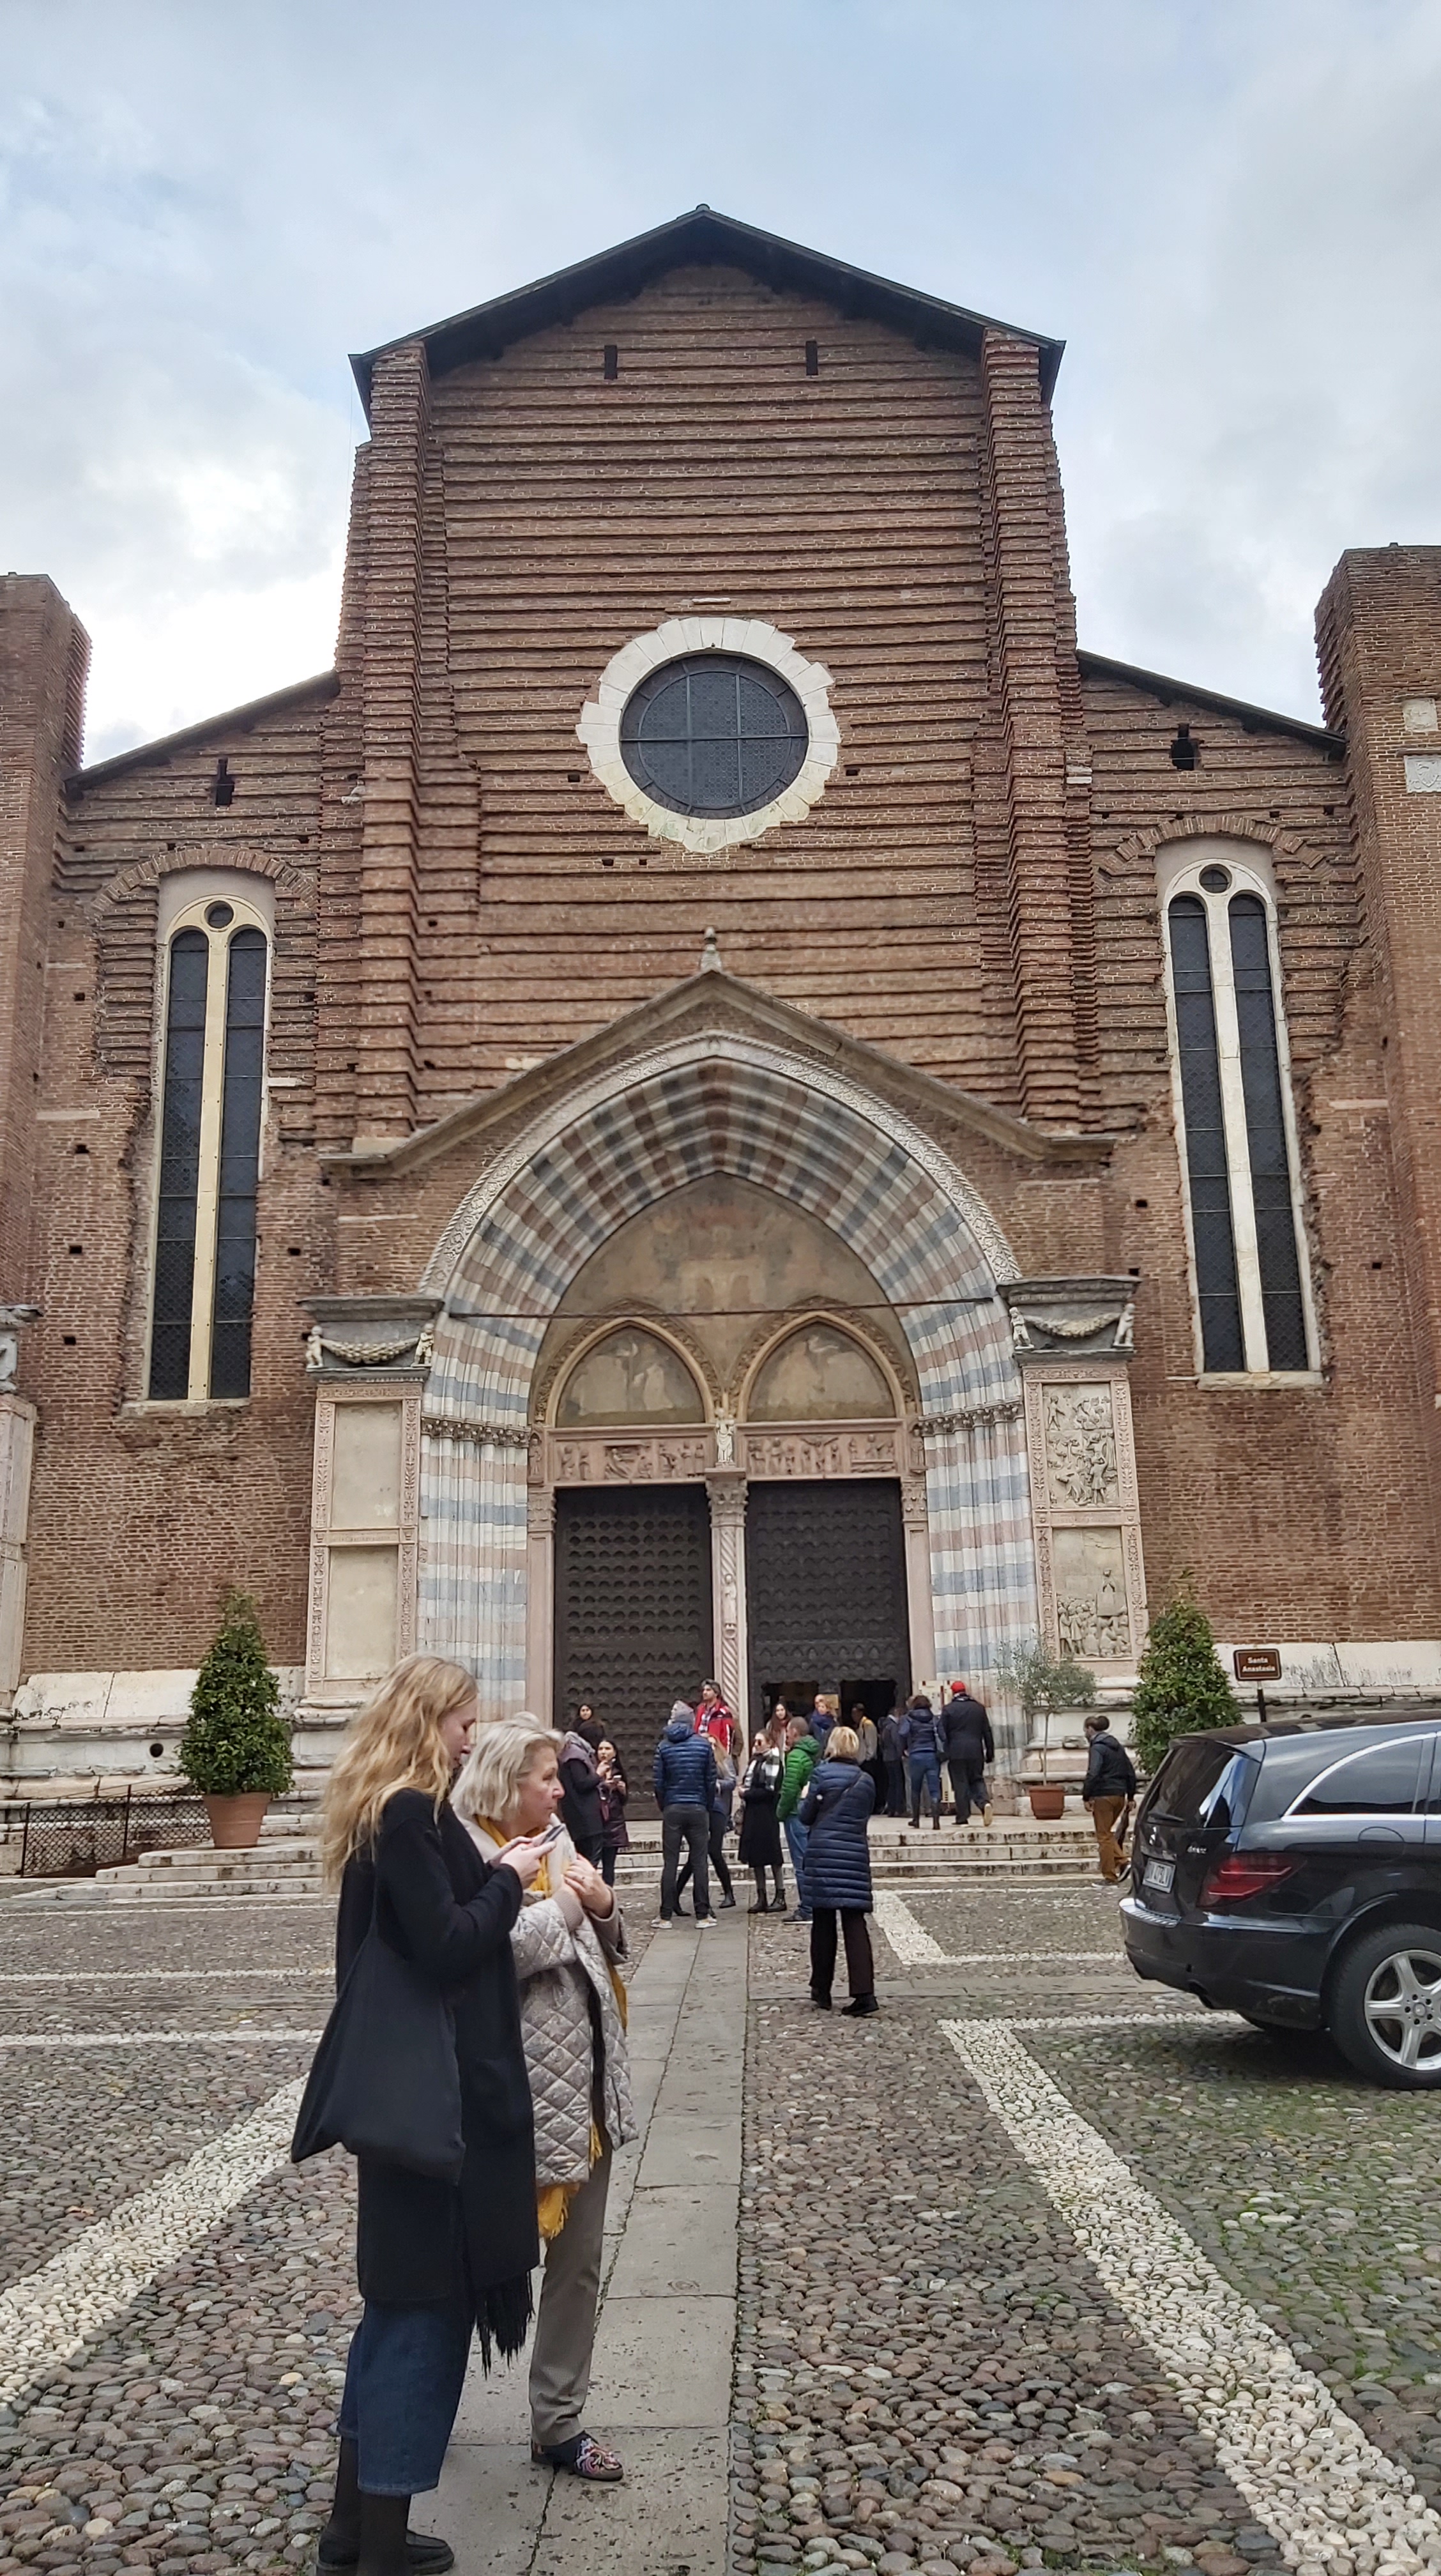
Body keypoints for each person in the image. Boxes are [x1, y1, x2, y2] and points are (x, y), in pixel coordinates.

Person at [314, 1655, 544, 2576]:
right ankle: (379, 2549)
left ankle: (352, 2531)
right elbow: (448, 1943)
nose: (468, 1738)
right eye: (461, 1721)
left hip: (410, 2101)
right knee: (423, 2321)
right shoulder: (410, 1814)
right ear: (426, 1720)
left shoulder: (390, 1814)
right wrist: (509, 1877)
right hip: (440, 2108)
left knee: (394, 2312)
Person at [454, 1718, 634, 2484]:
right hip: (507, 2098)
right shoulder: (462, 1852)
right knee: (463, 2267)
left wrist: (603, 1905)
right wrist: (560, 1910)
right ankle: (419, 2410)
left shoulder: (556, 1843)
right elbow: (477, 1952)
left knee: (579, 2265)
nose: (562, 1790)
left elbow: (605, 1944)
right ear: (506, 1783)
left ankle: (558, 2422)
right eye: (547, 1778)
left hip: (582, 2091)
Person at [798, 1724, 878, 2016]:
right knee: (855, 1922)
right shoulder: (866, 1780)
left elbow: (806, 1816)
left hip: (823, 1853)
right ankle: (864, 1994)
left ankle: (821, 1990)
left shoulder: (821, 1774)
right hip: (854, 1853)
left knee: (823, 1922)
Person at [652, 1699, 717, 1926]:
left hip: (673, 1807)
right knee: (700, 1862)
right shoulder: (703, 1746)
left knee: (670, 1862)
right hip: (698, 1807)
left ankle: (665, 1916)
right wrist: (707, 1805)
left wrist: (665, 1805)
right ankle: (703, 1914)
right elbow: (711, 1780)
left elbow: (659, 1783)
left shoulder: (664, 1747)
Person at [675, 1730, 738, 1911]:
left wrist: (717, 1784)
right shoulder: (696, 1762)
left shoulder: (724, 1760)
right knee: (696, 1855)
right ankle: (675, 1896)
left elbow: (732, 1781)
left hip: (718, 1810)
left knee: (715, 1851)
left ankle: (729, 1893)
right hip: (700, 1809)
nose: (709, 1747)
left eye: (712, 1743)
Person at [775, 1711, 822, 1924]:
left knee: (801, 1861)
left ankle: (807, 1907)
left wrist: (781, 1812)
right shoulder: (812, 1752)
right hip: (808, 1810)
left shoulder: (796, 1756)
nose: (786, 1736)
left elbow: (790, 1787)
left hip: (796, 1813)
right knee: (809, 1859)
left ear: (794, 1732)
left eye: (788, 1732)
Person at [1082, 1712, 1137, 1883]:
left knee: (1104, 1836)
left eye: (1085, 1730)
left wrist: (1086, 1796)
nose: (1085, 1734)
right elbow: (1130, 1771)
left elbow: (1094, 1772)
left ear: (1090, 1729)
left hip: (1103, 1795)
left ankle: (1112, 1873)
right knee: (1107, 1834)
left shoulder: (1097, 1747)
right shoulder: (1117, 1747)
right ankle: (1121, 1863)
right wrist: (1131, 1796)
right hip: (1120, 1795)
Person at [736, 1726, 786, 1912]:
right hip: (753, 1814)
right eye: (755, 1742)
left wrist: (747, 1793)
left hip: (767, 1814)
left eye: (760, 1742)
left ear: (769, 1743)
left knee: (773, 1855)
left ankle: (780, 1895)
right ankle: (761, 1896)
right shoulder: (755, 1762)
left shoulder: (774, 1762)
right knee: (756, 1857)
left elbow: (770, 1790)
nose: (756, 1745)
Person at [940, 1680, 995, 1826]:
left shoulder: (949, 1709)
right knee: (977, 1779)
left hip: (956, 1752)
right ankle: (984, 1804)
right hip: (976, 1751)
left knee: (960, 1783)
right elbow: (987, 1732)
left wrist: (946, 1748)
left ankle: (962, 1816)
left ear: (953, 1692)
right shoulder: (978, 1708)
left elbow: (942, 1731)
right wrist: (990, 1752)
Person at [557, 1711, 604, 1866]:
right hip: (585, 1817)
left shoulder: (573, 1752)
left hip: (581, 1816)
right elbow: (582, 1783)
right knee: (590, 1858)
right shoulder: (575, 1756)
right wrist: (599, 1774)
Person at [899, 1691, 945, 1828]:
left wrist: (904, 1749)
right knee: (934, 1788)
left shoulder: (908, 1718)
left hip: (916, 1756)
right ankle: (936, 1821)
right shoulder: (934, 1719)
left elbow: (902, 1733)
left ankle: (916, 1819)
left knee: (915, 1788)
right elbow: (943, 1736)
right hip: (932, 1756)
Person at [595, 1738, 629, 1889]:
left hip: (613, 1823)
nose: (603, 1752)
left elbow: (624, 1801)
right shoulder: (592, 1770)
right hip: (596, 1821)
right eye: (601, 1749)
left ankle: (608, 1895)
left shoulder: (618, 1771)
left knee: (609, 1866)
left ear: (614, 1752)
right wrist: (602, 1785)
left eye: (607, 1749)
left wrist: (622, 1790)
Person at [697, 1679, 740, 1758]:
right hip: (700, 1751)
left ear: (716, 1693)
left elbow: (727, 1737)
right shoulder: (700, 1710)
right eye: (704, 1690)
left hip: (717, 1753)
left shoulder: (724, 1713)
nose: (705, 1693)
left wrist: (726, 1757)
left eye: (708, 1690)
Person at [879, 1705, 908, 1816]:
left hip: (887, 1757)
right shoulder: (893, 1726)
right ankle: (898, 1808)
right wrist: (902, 1754)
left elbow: (881, 1743)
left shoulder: (884, 1726)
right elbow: (897, 1742)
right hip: (895, 1757)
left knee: (892, 1783)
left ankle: (891, 1808)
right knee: (898, 1783)